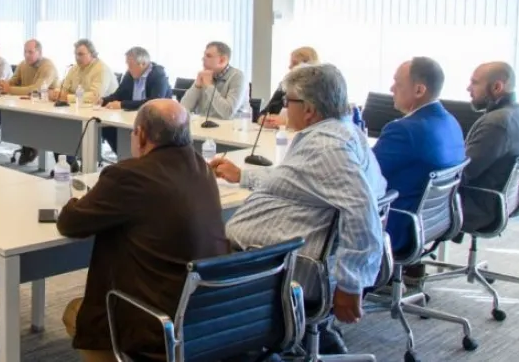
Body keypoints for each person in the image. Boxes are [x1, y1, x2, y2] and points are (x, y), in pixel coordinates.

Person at [212, 64, 385, 354]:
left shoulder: (329, 148)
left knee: (194, 256)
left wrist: (351, 283)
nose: (283, 108)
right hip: (298, 257)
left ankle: (248, 345)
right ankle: (313, 335)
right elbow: (297, 179)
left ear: (309, 109)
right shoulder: (342, 133)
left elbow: (361, 209)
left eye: (287, 101)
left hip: (285, 265)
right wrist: (243, 175)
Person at [57, 99, 229, 361]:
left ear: (142, 135)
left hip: (158, 322)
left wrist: (75, 201)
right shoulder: (201, 168)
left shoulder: (128, 176)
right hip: (207, 313)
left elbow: (71, 223)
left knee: (76, 313)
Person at [373, 57, 464, 255]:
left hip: (398, 224)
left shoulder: (403, 130)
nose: (391, 88)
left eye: (397, 83)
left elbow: (364, 176)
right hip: (434, 220)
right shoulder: (451, 122)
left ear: (419, 90)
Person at [460, 62, 519, 233]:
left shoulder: (496, 123)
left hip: (480, 207)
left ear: (497, 87)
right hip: (504, 200)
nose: (468, 88)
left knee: (411, 197)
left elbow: (464, 173)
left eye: (474, 82)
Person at [99, 47, 171, 155]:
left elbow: (153, 102)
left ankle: (136, 158)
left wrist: (123, 104)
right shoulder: (130, 74)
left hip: (154, 120)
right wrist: (103, 100)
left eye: (130, 65)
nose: (128, 68)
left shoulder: (158, 75)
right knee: (106, 128)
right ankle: (124, 156)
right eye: (127, 64)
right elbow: (119, 94)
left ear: (142, 64)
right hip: (131, 118)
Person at [0, 39, 60, 165]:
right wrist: (4, 84)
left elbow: (35, 90)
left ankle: (32, 147)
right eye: (25, 52)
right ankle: (28, 145)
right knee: (13, 115)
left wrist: (9, 89)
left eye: (30, 52)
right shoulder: (23, 64)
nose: (27, 55)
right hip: (27, 103)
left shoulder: (48, 67)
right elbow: (13, 81)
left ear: (40, 52)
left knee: (33, 122)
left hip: (47, 107)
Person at [180, 41, 248, 120]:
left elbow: (228, 113)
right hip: (202, 128)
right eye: (204, 55)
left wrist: (209, 86)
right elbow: (183, 109)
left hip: (230, 129)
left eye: (208, 56)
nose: (203, 59)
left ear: (222, 60)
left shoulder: (237, 76)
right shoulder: (205, 75)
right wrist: (197, 86)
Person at [261, 46, 319, 128]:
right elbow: (263, 114)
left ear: (308, 66)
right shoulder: (285, 85)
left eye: (294, 63)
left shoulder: (319, 90)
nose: (289, 67)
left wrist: (286, 122)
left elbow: (317, 123)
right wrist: (265, 120)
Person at [49, 39, 117, 105]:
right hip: (80, 107)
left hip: (104, 110)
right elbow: (64, 88)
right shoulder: (74, 68)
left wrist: (67, 97)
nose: (77, 58)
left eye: (81, 54)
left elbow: (94, 96)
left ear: (92, 54)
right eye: (75, 54)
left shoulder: (102, 69)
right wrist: (57, 93)